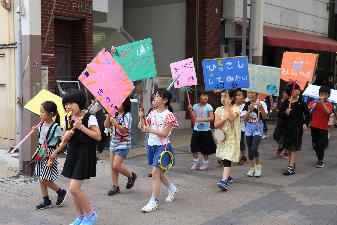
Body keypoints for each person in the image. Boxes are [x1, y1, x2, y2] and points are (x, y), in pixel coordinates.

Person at [52, 90, 101, 225]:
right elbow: (63, 138)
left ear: (79, 103)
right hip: (72, 154)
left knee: (74, 188)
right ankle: (80, 217)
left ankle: (90, 214)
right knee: (73, 189)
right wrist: (65, 136)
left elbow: (98, 136)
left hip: (85, 154)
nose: (68, 106)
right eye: (66, 103)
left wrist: (81, 127)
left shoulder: (89, 117)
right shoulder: (66, 118)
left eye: (71, 103)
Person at [139, 89, 179, 213]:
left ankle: (154, 201)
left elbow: (164, 134)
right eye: (154, 96)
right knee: (159, 173)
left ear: (165, 100)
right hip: (152, 145)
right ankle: (172, 189)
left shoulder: (169, 115)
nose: (154, 98)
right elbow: (142, 128)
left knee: (155, 173)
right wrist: (141, 118)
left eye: (157, 96)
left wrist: (149, 130)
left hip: (163, 146)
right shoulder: (152, 113)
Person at [34, 101, 67, 210]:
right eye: (40, 112)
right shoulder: (41, 124)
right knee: (40, 176)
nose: (40, 114)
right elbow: (40, 139)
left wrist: (55, 152)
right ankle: (46, 200)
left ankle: (61, 192)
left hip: (49, 154)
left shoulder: (56, 127)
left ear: (51, 114)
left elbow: (63, 142)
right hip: (40, 151)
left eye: (42, 112)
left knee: (44, 178)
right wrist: (35, 132)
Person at [104, 97, 137, 195]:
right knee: (113, 167)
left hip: (123, 143)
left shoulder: (127, 116)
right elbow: (106, 125)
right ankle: (115, 187)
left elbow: (124, 130)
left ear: (125, 104)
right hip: (113, 142)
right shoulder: (114, 114)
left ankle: (131, 176)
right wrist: (108, 116)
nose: (116, 105)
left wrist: (114, 122)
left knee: (116, 165)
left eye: (119, 103)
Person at [279, 82, 310, 175]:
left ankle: (291, 167)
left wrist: (305, 123)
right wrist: (285, 112)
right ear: (290, 92)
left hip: (297, 128)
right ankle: (292, 164)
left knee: (293, 148)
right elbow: (279, 114)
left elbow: (308, 114)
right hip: (287, 128)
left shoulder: (301, 103)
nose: (298, 91)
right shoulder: (285, 102)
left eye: (298, 89)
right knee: (289, 148)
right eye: (295, 89)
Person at [214, 90, 240, 191]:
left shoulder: (236, 108)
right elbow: (216, 124)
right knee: (225, 157)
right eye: (222, 96)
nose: (223, 98)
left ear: (232, 98)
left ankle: (224, 181)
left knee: (227, 158)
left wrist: (228, 107)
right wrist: (224, 119)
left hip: (232, 137)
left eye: (226, 96)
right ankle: (228, 177)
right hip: (222, 138)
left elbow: (232, 118)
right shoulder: (218, 110)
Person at [242, 91, 268, 177]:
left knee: (254, 149)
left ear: (257, 94)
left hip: (258, 128)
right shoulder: (246, 104)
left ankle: (258, 166)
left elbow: (264, 117)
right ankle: (252, 167)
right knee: (249, 150)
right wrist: (249, 111)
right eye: (249, 93)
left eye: (252, 93)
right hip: (249, 129)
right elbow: (244, 119)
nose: (250, 95)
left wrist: (261, 109)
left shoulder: (262, 103)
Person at [188, 91, 216, 171]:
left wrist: (202, 119)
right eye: (204, 95)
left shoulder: (208, 106)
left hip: (206, 131)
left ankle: (205, 164)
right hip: (196, 130)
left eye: (207, 95)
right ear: (199, 96)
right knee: (193, 147)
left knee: (205, 149)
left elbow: (212, 118)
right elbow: (193, 119)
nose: (206, 97)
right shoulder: (195, 106)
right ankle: (196, 163)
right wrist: (190, 110)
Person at [308, 86, 332, 168]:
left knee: (321, 145)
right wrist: (314, 104)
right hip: (314, 127)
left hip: (323, 128)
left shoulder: (329, 104)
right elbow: (308, 109)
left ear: (328, 96)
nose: (323, 96)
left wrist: (322, 104)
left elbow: (328, 112)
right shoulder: (314, 102)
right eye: (321, 94)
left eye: (325, 94)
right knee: (315, 145)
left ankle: (320, 160)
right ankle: (319, 153)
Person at [274, 90, 289, 159]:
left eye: (286, 93)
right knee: (276, 136)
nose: (284, 94)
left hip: (287, 122)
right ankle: (281, 146)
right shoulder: (280, 101)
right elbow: (278, 112)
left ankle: (286, 150)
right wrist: (274, 109)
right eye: (283, 93)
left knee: (286, 136)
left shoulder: (291, 102)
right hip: (280, 121)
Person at [235, 89, 247, 165]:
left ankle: (243, 157)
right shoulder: (233, 106)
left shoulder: (245, 106)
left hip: (241, 128)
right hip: (233, 128)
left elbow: (244, 116)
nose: (237, 96)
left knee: (240, 143)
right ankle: (227, 158)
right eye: (236, 95)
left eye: (239, 95)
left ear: (244, 98)